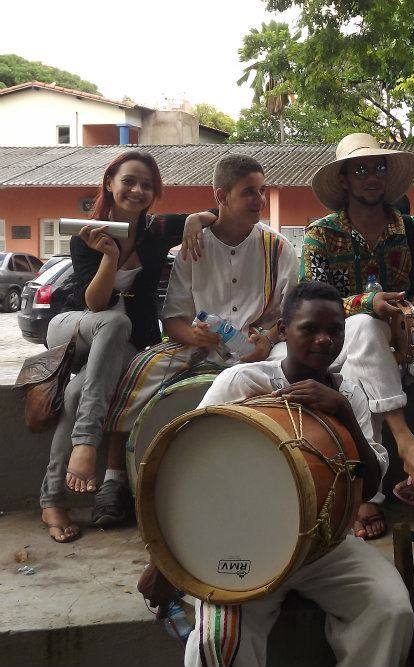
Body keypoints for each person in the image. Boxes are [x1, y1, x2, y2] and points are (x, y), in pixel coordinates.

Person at [184, 280, 414, 667]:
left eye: (334, 330)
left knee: (391, 610)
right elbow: (187, 463)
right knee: (217, 640)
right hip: (245, 545)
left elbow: (368, 486)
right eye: (309, 328)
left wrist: (342, 412)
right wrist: (169, 562)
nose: (324, 340)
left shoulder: (350, 394)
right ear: (284, 330)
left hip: (325, 543)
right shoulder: (243, 382)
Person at [99, 154, 297, 525]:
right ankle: (114, 478)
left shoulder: (279, 247)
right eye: (249, 192)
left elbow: (291, 315)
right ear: (221, 196)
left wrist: (268, 339)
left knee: (291, 370)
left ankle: (290, 472)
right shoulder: (194, 245)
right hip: (198, 345)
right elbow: (173, 317)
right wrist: (194, 335)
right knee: (141, 367)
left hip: (261, 346)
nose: (259, 200)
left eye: (262, 191)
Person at [40, 150, 215, 541]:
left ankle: (50, 500)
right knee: (114, 321)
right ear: (109, 184)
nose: (137, 190)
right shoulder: (88, 234)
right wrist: (109, 257)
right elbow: (95, 304)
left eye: (147, 185)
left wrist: (193, 220)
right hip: (76, 327)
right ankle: (87, 443)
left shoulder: (157, 230)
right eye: (129, 181)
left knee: (76, 393)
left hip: (124, 342)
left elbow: (217, 211)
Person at [300, 133, 414, 533]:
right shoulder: (320, 234)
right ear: (344, 179)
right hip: (335, 343)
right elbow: (313, 302)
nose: (372, 176)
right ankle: (403, 439)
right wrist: (367, 304)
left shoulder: (410, 229)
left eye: (378, 167)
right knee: (363, 326)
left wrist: (402, 315)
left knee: (367, 344)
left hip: (400, 344)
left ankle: (366, 497)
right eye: (360, 169)